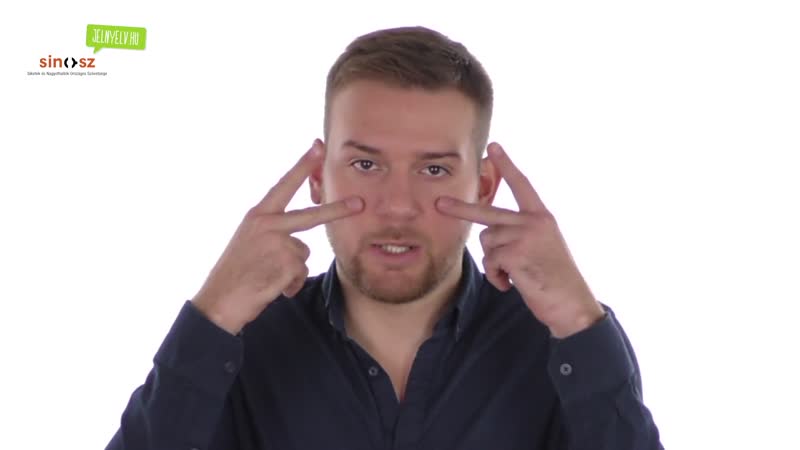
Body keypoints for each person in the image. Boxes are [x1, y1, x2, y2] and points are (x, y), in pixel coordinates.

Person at [106, 26, 663, 450]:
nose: (398, 205)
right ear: (319, 179)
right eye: (367, 165)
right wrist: (211, 317)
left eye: (434, 169)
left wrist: (579, 320)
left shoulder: (565, 344)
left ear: (484, 186)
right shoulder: (240, 344)